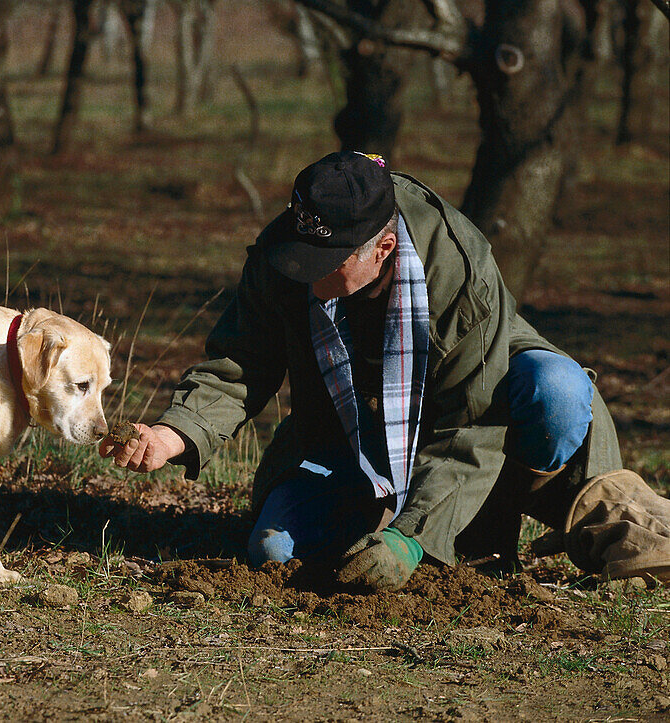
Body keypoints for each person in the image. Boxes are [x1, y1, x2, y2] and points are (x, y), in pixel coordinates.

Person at [99, 151, 670, 590]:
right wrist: (175, 433)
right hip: (348, 441)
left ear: (384, 249)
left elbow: (470, 426)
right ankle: (388, 515)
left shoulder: (459, 273)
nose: (308, 277)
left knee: (558, 393)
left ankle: (490, 524)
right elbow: (241, 360)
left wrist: (412, 538)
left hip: (474, 418)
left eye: (330, 265)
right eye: (303, 257)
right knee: (273, 554)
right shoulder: (290, 253)